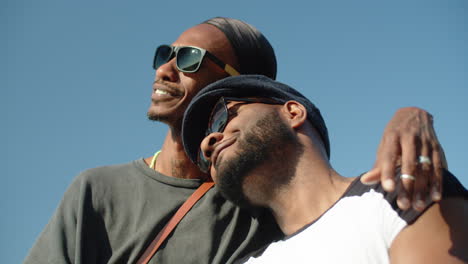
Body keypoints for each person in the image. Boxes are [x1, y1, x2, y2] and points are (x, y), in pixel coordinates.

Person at [24, 17, 448, 263]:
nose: (165, 70)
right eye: (163, 55)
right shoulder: (97, 192)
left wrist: (412, 116)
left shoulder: (257, 200)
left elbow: (344, 212)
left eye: (189, 59)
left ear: (239, 82)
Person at [182, 74, 468, 263]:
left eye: (224, 117)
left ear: (293, 113)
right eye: (203, 157)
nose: (209, 141)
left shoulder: (399, 193)